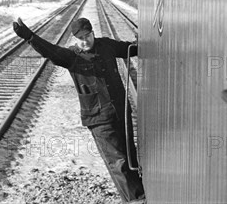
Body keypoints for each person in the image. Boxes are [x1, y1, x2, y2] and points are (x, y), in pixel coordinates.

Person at [13, 16, 146, 204]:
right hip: (98, 119)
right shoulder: (72, 57)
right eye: (81, 38)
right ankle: (137, 199)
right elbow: (50, 51)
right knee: (118, 162)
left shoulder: (106, 46)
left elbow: (129, 49)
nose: (85, 41)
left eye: (88, 36)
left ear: (93, 33)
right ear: (76, 39)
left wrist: (144, 38)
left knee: (130, 155)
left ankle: (136, 195)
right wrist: (29, 36)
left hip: (121, 113)